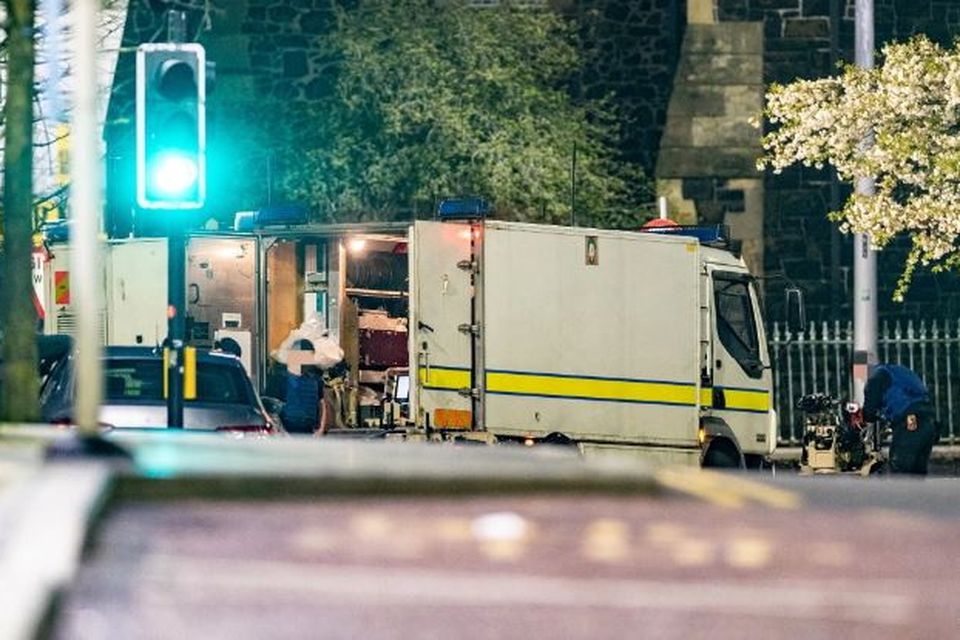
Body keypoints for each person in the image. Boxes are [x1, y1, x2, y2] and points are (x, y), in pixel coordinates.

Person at [862, 363, 939, 476]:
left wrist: (866, 416)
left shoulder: (878, 375)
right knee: (917, 473)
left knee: (900, 467)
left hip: (911, 421)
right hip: (928, 422)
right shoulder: (897, 371)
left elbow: (870, 407)